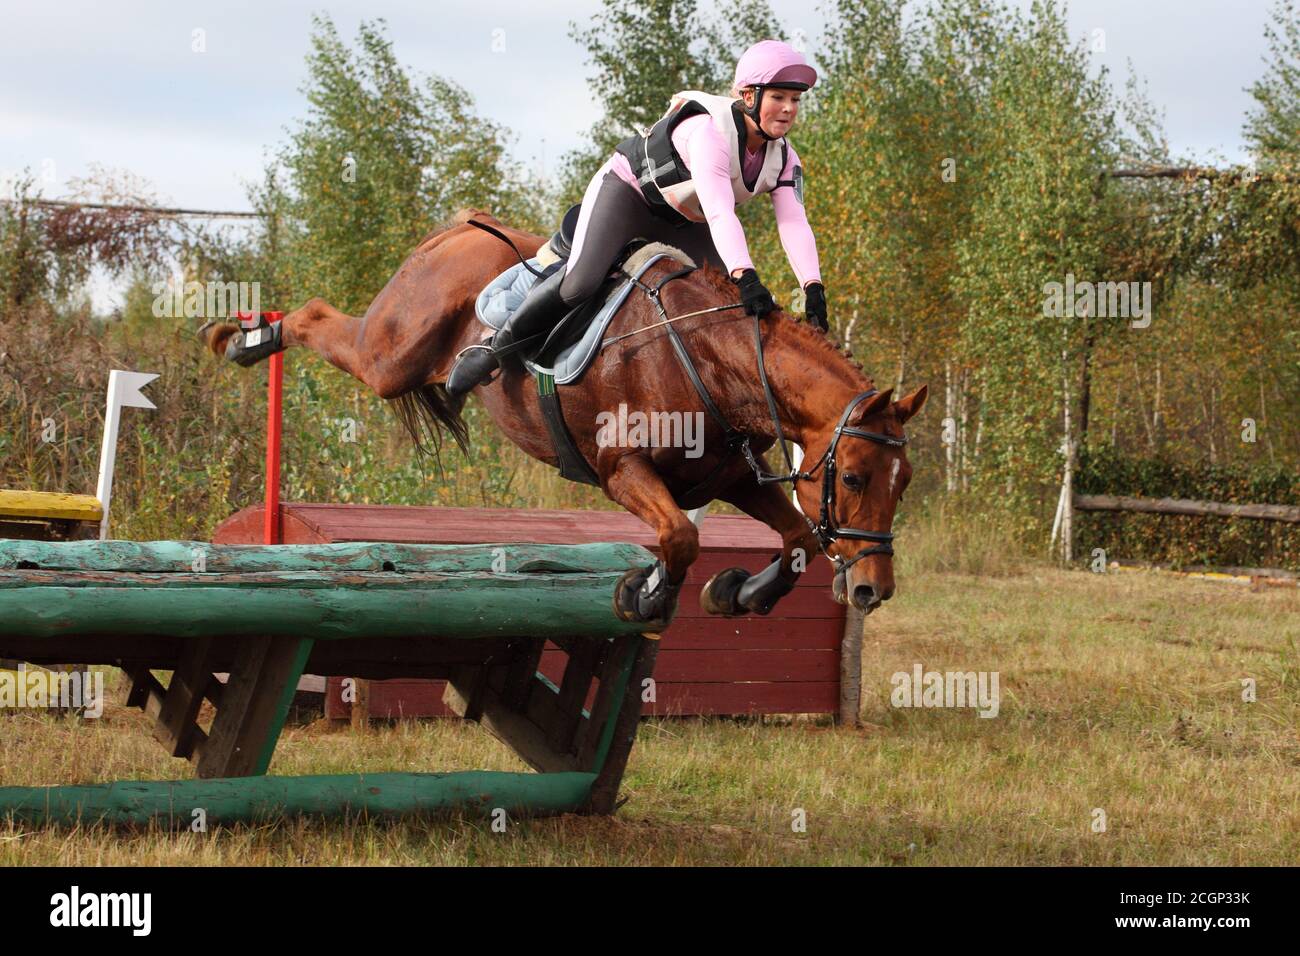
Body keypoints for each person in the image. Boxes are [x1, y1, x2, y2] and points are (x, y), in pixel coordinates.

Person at [447, 38, 828, 397]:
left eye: (795, 99)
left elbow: (793, 222)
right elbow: (718, 211)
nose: (789, 108)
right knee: (581, 283)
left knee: (723, 300)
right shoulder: (710, 134)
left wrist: (813, 289)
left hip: (683, 220)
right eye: (778, 97)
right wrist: (747, 277)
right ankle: (493, 350)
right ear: (748, 96)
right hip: (628, 195)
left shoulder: (784, 158)